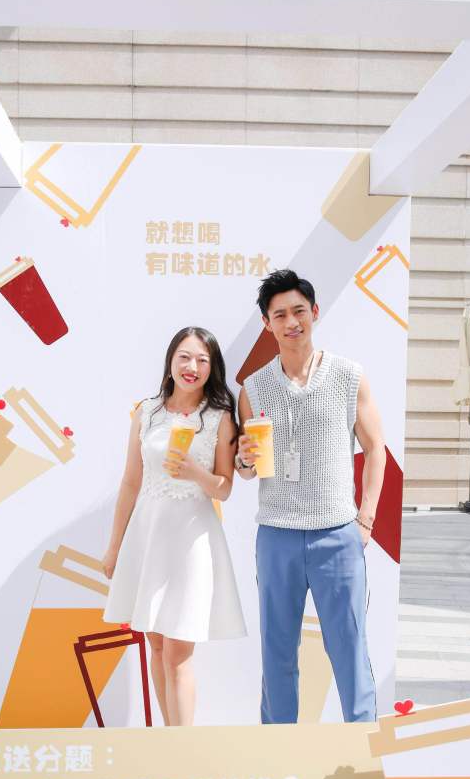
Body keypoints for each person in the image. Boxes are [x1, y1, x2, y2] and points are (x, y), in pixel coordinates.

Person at [236, 269, 386, 723]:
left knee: (350, 648)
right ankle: (279, 750)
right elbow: (248, 470)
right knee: (277, 652)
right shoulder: (253, 387)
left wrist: (365, 520)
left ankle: (363, 746)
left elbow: (375, 449)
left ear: (315, 312)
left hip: (337, 535)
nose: (291, 322)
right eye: (280, 314)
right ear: (267, 323)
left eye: (299, 311)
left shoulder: (348, 376)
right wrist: (244, 459)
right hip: (276, 535)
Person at [102, 327, 247, 727]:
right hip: (147, 537)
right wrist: (114, 547)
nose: (192, 366)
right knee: (156, 645)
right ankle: (170, 740)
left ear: (212, 368)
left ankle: (184, 745)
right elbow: (130, 483)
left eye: (202, 360)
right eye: (184, 357)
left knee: (178, 654)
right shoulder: (147, 412)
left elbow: (224, 489)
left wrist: (195, 472)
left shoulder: (219, 418)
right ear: (170, 361)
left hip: (191, 542)